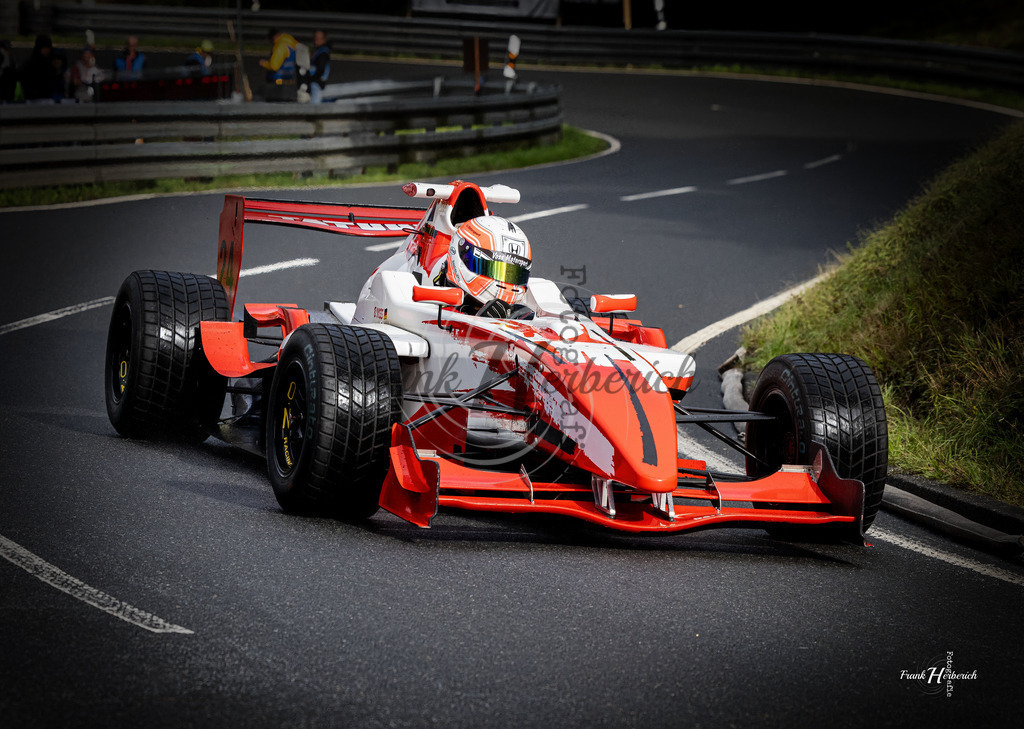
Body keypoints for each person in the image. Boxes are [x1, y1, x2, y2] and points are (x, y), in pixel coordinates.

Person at [444, 216, 532, 313]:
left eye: (515, 275)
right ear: (463, 255)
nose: (506, 284)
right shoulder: (430, 306)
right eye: (494, 270)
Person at [18, 34, 59, 103]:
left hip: (47, 98)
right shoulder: (30, 63)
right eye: (45, 48)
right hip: (32, 99)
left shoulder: (49, 62)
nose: (47, 50)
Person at [304, 29, 330, 104]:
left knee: (314, 104)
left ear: (324, 39)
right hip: (313, 82)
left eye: (319, 38)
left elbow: (320, 69)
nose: (316, 40)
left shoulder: (323, 52)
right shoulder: (317, 50)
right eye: (315, 38)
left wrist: (312, 79)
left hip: (316, 83)